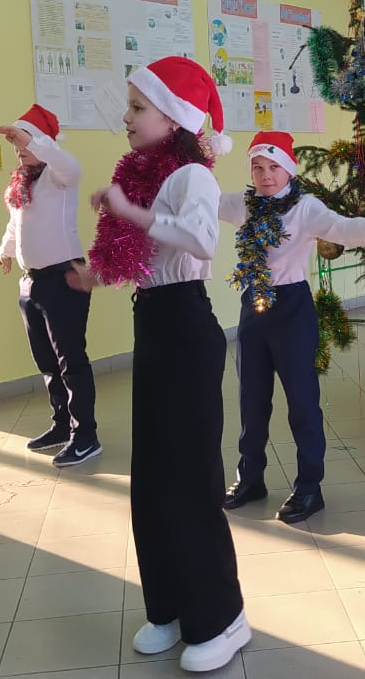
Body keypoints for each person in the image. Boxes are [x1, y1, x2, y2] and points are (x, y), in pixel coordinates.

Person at [67, 57, 249, 673]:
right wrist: (95, 273)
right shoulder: (145, 176)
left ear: (174, 118)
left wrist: (131, 212)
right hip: (153, 321)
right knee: (151, 476)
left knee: (191, 478)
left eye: (138, 107)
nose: (127, 117)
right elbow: (141, 256)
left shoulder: (193, 175)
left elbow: (201, 239)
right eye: (130, 106)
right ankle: (168, 605)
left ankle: (223, 618)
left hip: (187, 327)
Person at [219, 131, 365, 524]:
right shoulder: (244, 204)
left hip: (292, 310)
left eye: (274, 167)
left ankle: (310, 487)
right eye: (258, 167)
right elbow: (203, 199)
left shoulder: (305, 207)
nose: (266, 175)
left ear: (288, 170)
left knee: (302, 403)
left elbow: (343, 228)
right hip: (253, 307)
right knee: (251, 402)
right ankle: (250, 478)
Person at [0, 103, 98, 466]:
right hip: (32, 282)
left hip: (63, 278)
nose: (20, 149)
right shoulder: (23, 183)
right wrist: (6, 250)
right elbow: (16, 223)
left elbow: (72, 166)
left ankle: (85, 435)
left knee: (70, 358)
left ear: (45, 143)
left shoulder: (59, 177)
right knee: (47, 361)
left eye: (27, 142)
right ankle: (61, 424)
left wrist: (33, 141)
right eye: (17, 144)